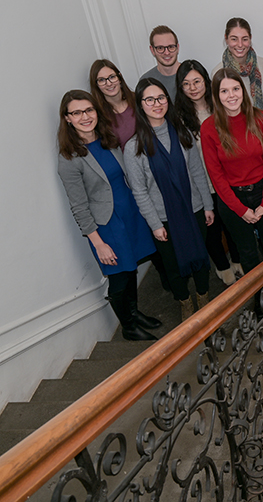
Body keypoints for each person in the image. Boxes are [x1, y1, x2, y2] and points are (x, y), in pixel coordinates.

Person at [57, 90, 159, 341]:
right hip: (107, 225)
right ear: (67, 118)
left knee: (131, 268)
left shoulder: (107, 139)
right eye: (77, 112)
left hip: (130, 214)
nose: (85, 116)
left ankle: (134, 314)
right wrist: (98, 242)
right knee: (119, 277)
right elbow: (79, 206)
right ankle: (128, 326)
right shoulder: (69, 158)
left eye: (89, 110)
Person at [124, 78, 214, 322]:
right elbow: (139, 191)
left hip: (194, 209)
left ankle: (204, 299)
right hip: (163, 219)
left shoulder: (182, 132)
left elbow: (197, 171)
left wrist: (208, 204)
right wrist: (154, 224)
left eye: (161, 97)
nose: (157, 103)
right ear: (140, 105)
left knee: (200, 258)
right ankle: (185, 303)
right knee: (173, 267)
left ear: (168, 100)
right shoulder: (134, 147)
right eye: (149, 99)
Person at [201, 68, 263, 293]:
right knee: (247, 253)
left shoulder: (260, 118)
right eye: (224, 91)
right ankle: (261, 296)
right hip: (232, 200)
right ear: (216, 96)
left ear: (243, 90)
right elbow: (215, 175)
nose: (231, 95)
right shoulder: (209, 128)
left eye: (235, 88)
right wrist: (240, 209)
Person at [173, 59, 241, 285]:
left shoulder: (221, 106)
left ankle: (239, 262)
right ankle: (223, 268)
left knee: (232, 226)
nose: (193, 88)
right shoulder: (178, 118)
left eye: (197, 81)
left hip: (227, 178)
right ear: (180, 88)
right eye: (186, 84)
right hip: (201, 183)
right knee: (212, 229)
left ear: (206, 81)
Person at [213, 17, 263, 109]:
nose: (240, 44)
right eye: (234, 39)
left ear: (250, 38)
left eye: (244, 39)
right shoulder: (218, 72)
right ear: (226, 39)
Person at [89, 59, 138, 148]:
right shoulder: (99, 115)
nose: (109, 83)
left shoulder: (138, 99)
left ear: (119, 78)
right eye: (102, 80)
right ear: (96, 85)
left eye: (112, 77)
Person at [140, 25, 181, 101]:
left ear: (177, 48)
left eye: (171, 47)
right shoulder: (146, 80)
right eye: (160, 48)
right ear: (152, 50)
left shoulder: (192, 75)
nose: (166, 52)